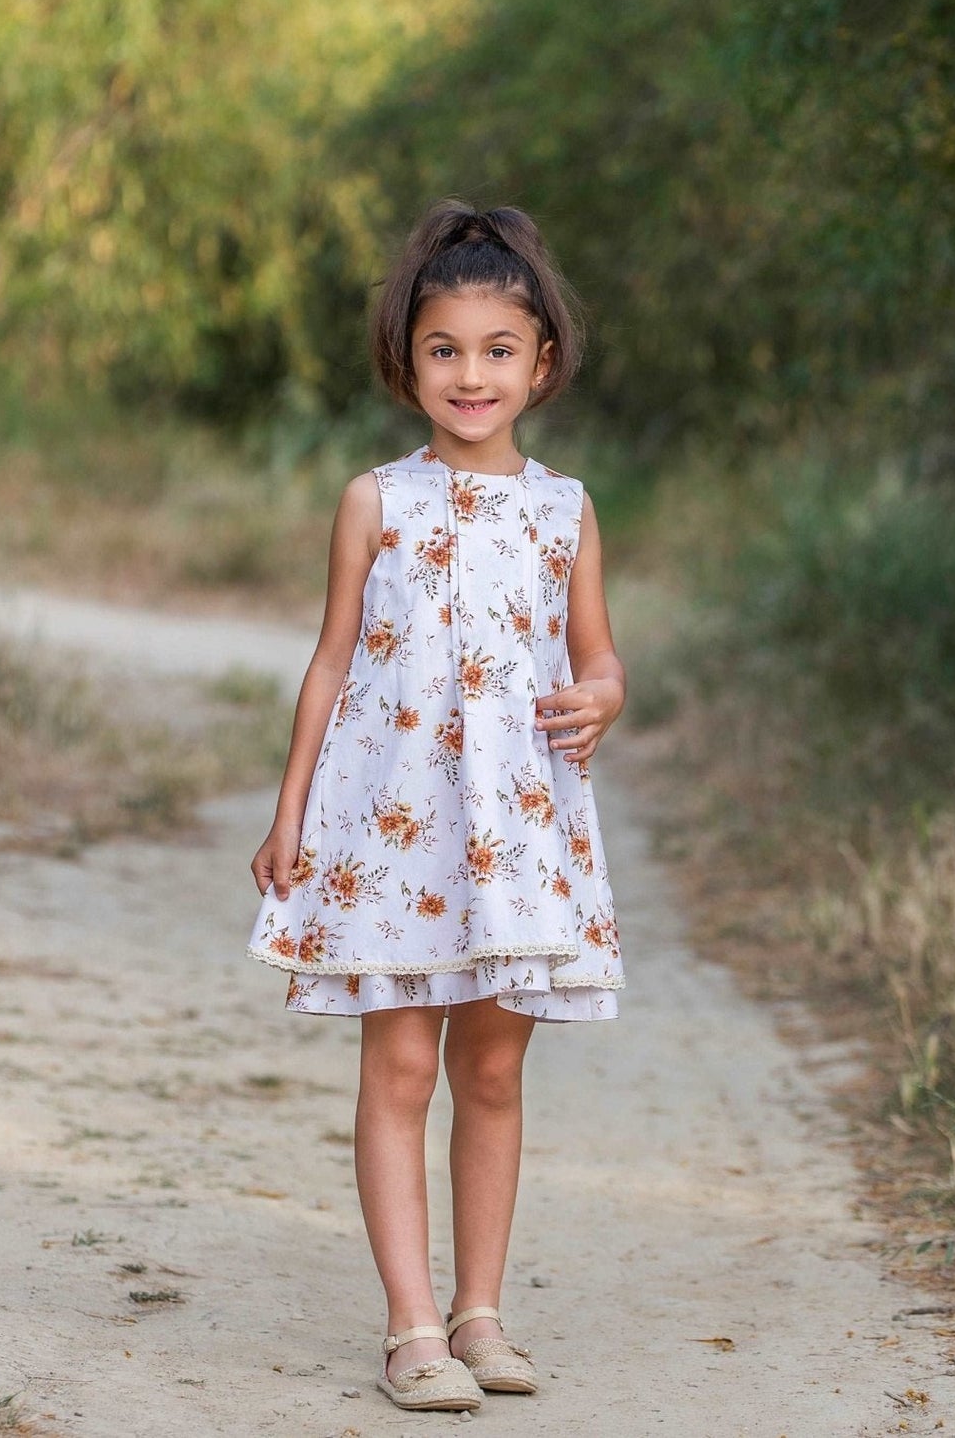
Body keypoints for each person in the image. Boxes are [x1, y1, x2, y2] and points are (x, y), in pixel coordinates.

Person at [245, 198, 626, 1412]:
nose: (472, 374)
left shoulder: (564, 510)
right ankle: (412, 1327)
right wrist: (290, 808)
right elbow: (329, 660)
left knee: (495, 1071)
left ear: (541, 362)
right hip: (391, 829)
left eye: (497, 349)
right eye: (444, 349)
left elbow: (597, 655)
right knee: (401, 1062)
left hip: (514, 834)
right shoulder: (376, 500)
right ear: (406, 364)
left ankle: (482, 1311)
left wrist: (603, 696)